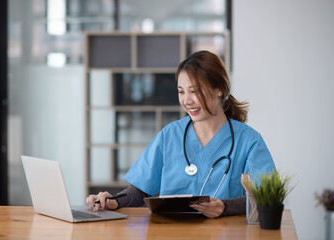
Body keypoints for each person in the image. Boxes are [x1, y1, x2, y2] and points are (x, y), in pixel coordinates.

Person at [86, 50, 275, 218]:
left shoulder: (249, 141)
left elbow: (267, 198)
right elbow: (141, 191)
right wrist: (115, 201)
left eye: (194, 91)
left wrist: (225, 207)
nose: (187, 101)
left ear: (220, 89)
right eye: (181, 92)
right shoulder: (170, 135)